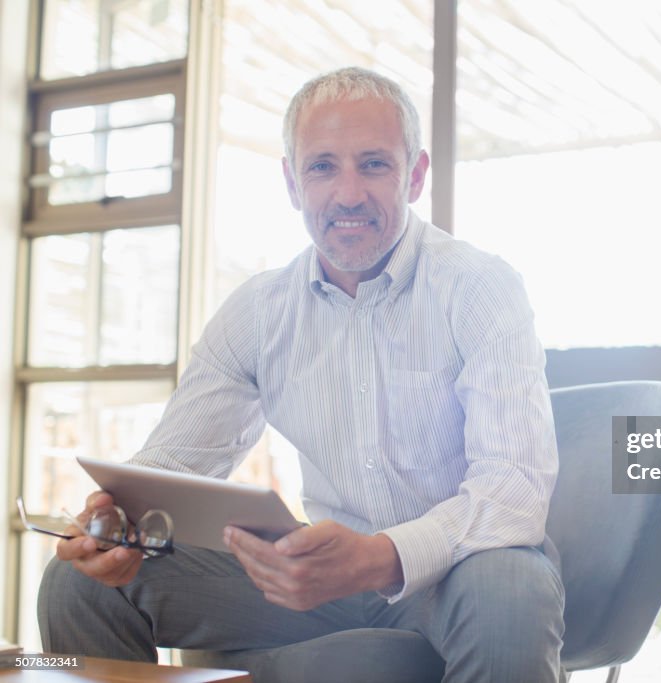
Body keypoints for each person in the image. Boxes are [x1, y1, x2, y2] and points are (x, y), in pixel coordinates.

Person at [38, 66, 565, 683]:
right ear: (292, 182)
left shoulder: (481, 288)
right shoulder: (260, 312)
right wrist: (119, 527)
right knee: (78, 585)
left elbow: (514, 490)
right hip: (324, 587)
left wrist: (377, 557)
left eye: (373, 164)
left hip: (457, 575)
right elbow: (172, 473)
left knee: (510, 587)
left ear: (415, 174)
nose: (346, 193)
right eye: (322, 167)